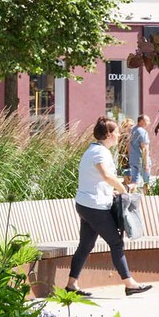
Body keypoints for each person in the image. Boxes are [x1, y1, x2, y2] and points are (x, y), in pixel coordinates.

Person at [63, 118, 151, 298]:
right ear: (109, 134)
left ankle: (71, 284)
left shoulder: (92, 150)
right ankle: (129, 284)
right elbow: (106, 175)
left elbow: (98, 179)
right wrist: (123, 188)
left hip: (86, 204)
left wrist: (111, 191)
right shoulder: (100, 153)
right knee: (116, 243)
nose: (119, 135)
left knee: (85, 245)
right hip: (95, 207)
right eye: (117, 132)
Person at [128, 114, 152, 187]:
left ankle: (131, 195)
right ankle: (148, 197)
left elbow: (128, 145)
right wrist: (146, 163)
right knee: (147, 182)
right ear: (141, 121)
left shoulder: (132, 130)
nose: (149, 122)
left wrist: (130, 156)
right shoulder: (142, 132)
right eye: (147, 121)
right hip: (141, 160)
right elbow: (145, 148)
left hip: (133, 159)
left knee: (134, 181)